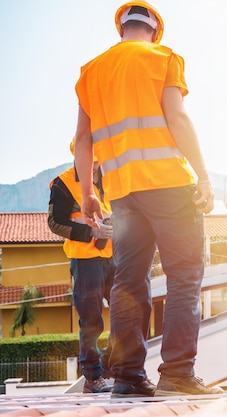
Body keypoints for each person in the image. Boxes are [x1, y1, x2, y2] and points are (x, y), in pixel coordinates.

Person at [73, 1, 219, 397]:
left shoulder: (91, 71)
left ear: (122, 28)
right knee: (185, 275)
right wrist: (203, 176)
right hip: (169, 183)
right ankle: (176, 372)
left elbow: (83, 139)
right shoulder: (164, 57)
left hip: (122, 192)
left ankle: (127, 376)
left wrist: (88, 192)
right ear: (155, 30)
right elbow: (178, 117)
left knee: (128, 282)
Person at [47, 139, 114, 394]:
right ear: (79, 156)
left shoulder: (109, 179)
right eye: (90, 158)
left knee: (126, 313)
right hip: (84, 260)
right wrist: (90, 233)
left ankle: (111, 369)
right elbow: (55, 222)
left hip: (112, 257)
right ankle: (93, 377)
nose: (95, 163)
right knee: (91, 321)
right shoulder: (63, 183)